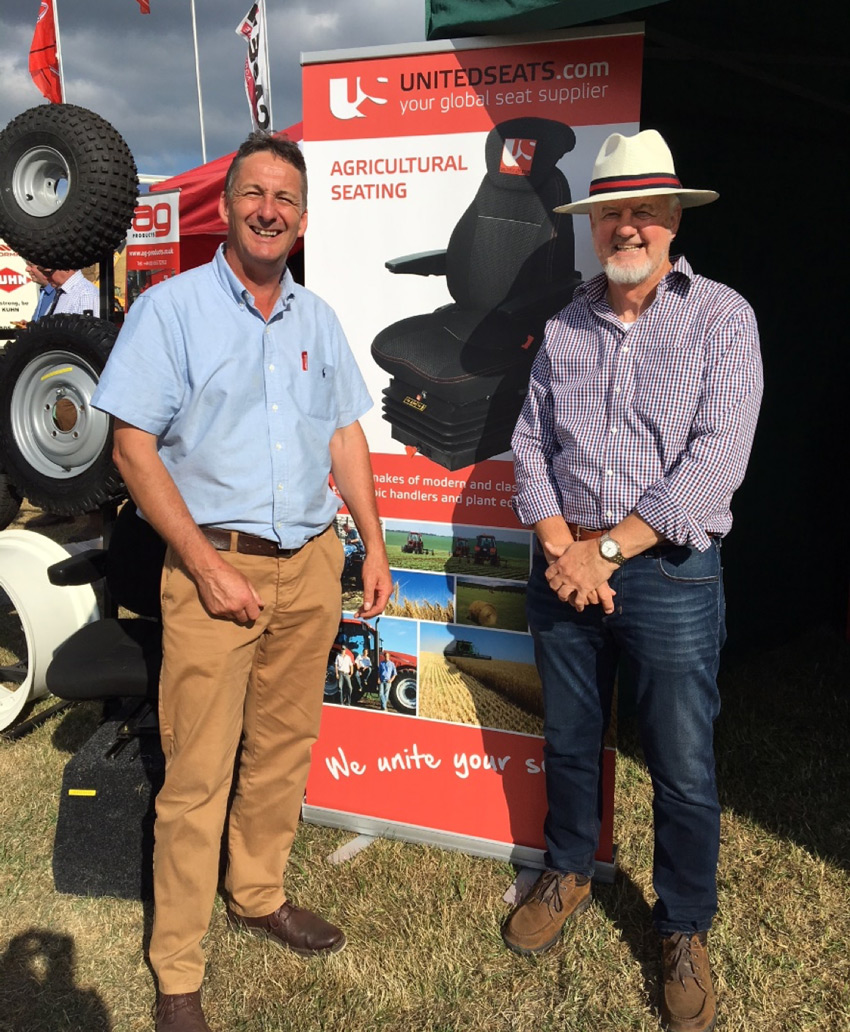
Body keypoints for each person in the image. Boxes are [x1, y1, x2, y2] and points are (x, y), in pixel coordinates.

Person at [91, 131, 392, 1032]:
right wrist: (205, 565)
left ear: (303, 220)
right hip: (211, 571)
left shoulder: (318, 319)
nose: (270, 210)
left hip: (310, 568)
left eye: (287, 200)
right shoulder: (172, 311)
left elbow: (345, 437)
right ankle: (177, 971)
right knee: (196, 776)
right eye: (255, 193)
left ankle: (258, 893)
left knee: (281, 753)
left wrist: (370, 546)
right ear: (227, 206)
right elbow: (131, 447)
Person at [505, 129, 762, 1032]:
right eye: (612, 211)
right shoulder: (568, 323)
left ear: (671, 221)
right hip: (562, 567)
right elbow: (528, 443)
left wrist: (602, 553)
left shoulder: (722, 317)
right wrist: (557, 546)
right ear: (593, 224)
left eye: (644, 211)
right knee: (573, 740)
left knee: (684, 767)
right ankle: (570, 868)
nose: (628, 227)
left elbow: (717, 460)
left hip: (668, 574)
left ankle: (684, 925)